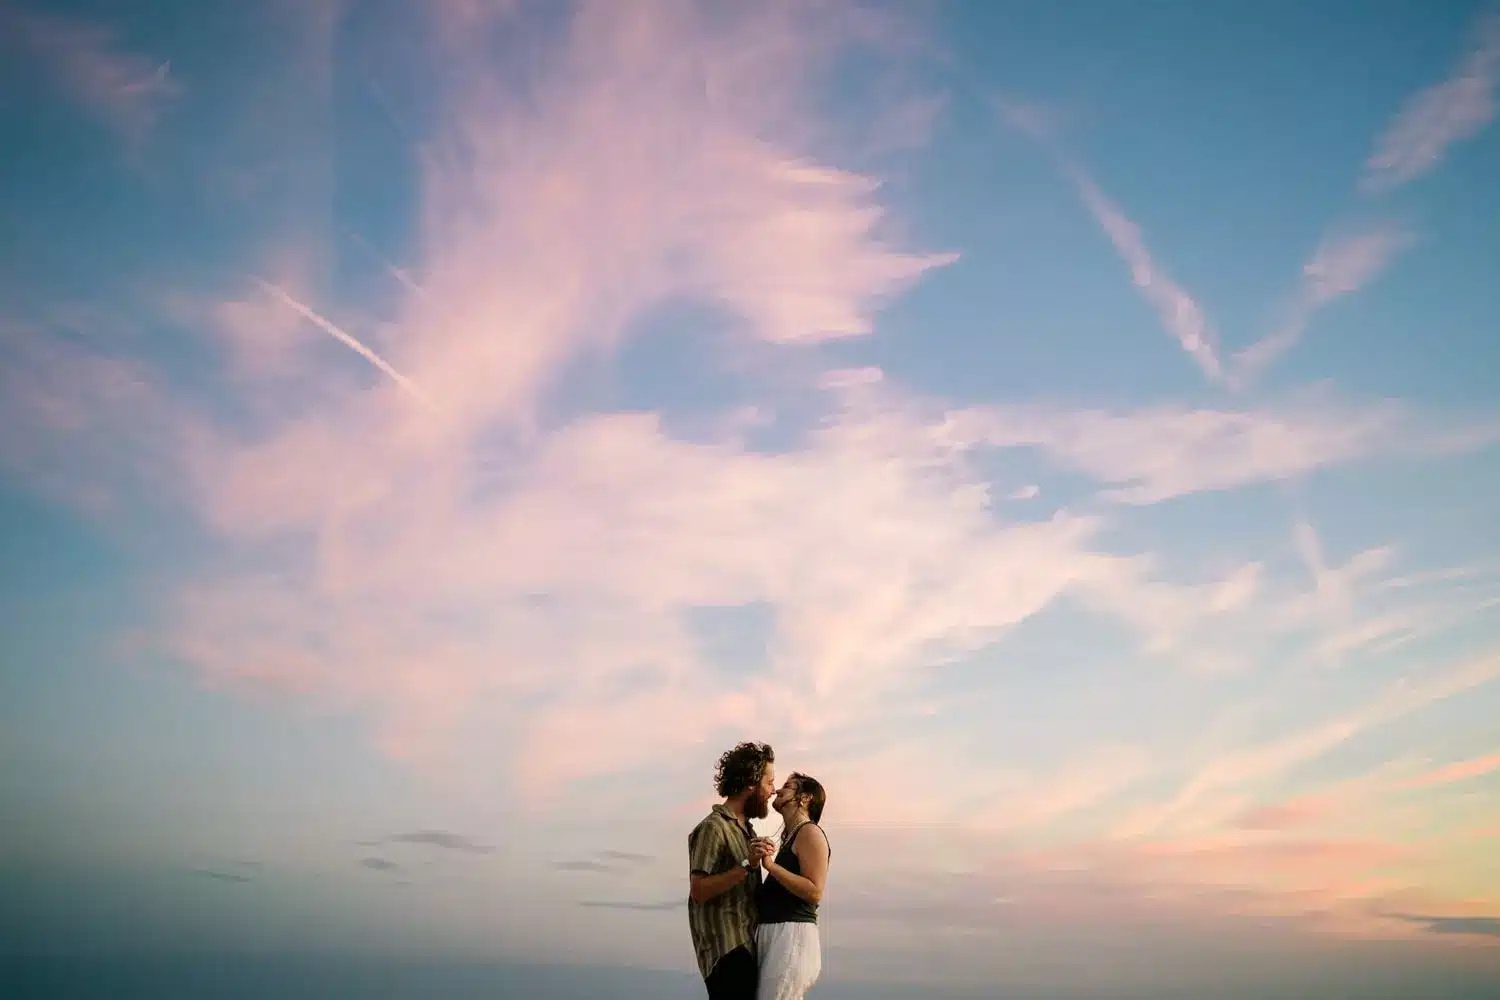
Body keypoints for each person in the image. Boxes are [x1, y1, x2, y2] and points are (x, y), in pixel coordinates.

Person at [688, 742, 778, 999]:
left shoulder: (747, 831)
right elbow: (698, 891)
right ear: (751, 784)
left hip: (746, 948)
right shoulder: (713, 828)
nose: (773, 791)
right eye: (769, 782)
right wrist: (746, 865)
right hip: (727, 951)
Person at [752, 772, 829, 1000]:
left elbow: (815, 891)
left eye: (787, 786)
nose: (778, 790)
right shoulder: (793, 836)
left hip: (792, 937)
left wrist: (770, 866)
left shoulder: (810, 832)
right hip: (779, 937)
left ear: (805, 798)